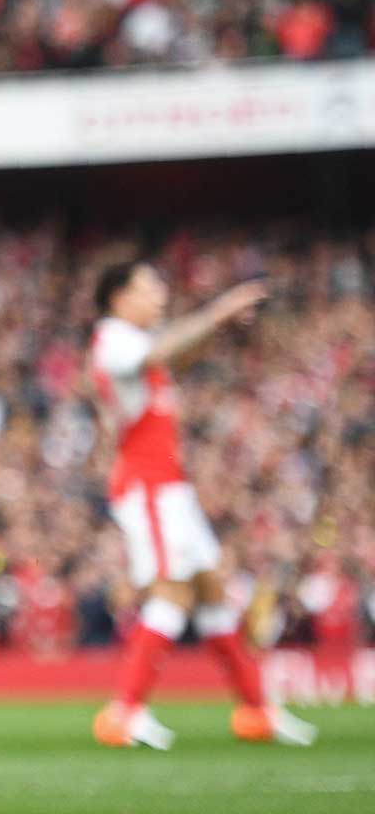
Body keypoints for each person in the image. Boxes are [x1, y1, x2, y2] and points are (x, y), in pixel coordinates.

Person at [86, 260, 316, 749]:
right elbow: (162, 351)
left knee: (212, 590)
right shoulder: (113, 338)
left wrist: (219, 329)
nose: (160, 295)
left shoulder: (137, 345)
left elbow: (175, 358)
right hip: (147, 486)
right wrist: (218, 311)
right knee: (173, 593)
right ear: (118, 297)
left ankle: (256, 711)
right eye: (149, 288)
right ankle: (123, 712)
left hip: (171, 486)